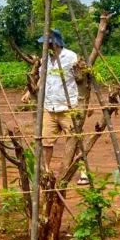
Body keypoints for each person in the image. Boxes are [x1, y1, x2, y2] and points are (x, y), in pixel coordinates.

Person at [38, 29, 85, 182]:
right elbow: (42, 77)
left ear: (54, 43)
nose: (45, 47)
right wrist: (28, 91)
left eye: (47, 44)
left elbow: (82, 78)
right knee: (46, 142)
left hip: (68, 107)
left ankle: (83, 173)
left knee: (75, 141)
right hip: (49, 107)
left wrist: (83, 103)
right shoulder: (45, 59)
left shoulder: (71, 57)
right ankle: (45, 171)